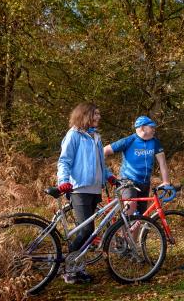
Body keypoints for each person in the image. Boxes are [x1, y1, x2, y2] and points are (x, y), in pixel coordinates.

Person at [57, 102, 117, 284]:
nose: (98, 117)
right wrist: (63, 181)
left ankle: (78, 268)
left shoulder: (95, 136)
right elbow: (64, 161)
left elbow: (101, 163)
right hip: (79, 188)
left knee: (88, 233)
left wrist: (110, 177)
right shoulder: (74, 135)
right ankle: (67, 268)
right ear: (85, 115)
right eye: (95, 114)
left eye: (98, 114)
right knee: (86, 231)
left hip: (94, 189)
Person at [104, 116, 170, 215]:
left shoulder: (155, 142)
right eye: (151, 127)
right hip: (128, 181)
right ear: (143, 128)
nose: (154, 130)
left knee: (140, 217)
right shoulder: (129, 140)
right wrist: (105, 172)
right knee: (130, 210)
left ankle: (132, 230)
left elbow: (162, 162)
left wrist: (166, 181)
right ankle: (124, 229)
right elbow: (104, 151)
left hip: (145, 183)